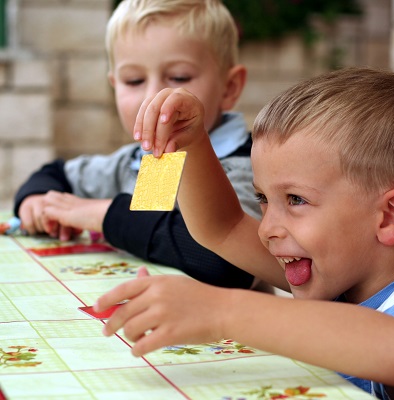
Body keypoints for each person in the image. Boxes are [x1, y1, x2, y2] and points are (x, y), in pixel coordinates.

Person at [95, 67, 394, 399]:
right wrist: (192, 143)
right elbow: (223, 227)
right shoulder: (338, 274)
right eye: (264, 199)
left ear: (389, 217)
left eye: (296, 200)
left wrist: (222, 311)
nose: (267, 229)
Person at [13, 0, 260, 288]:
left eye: (179, 77)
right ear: (113, 85)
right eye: (133, 80)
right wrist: (36, 201)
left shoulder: (249, 169)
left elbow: (230, 264)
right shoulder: (134, 161)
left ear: (229, 87)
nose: (153, 95)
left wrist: (106, 215)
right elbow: (56, 173)